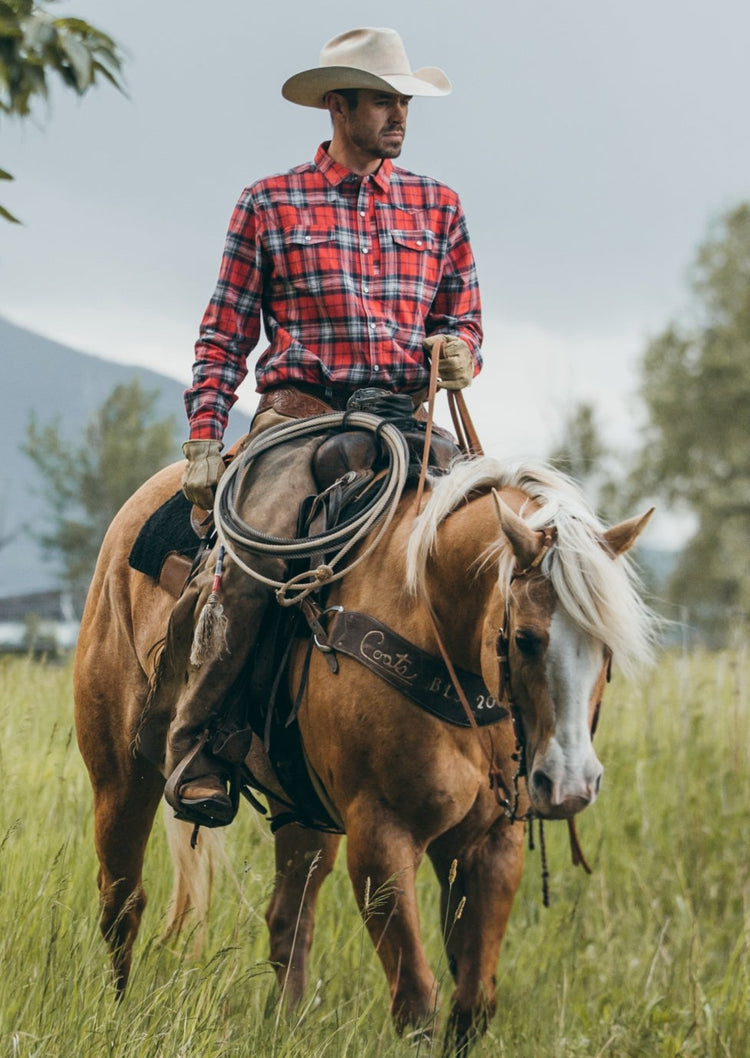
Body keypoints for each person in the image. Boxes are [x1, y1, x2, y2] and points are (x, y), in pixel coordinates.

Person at [164, 26, 484, 826]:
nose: (398, 113)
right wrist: (207, 434)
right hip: (298, 423)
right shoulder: (268, 202)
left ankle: (509, 753)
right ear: (337, 105)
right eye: (382, 99)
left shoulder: (438, 204)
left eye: (404, 100)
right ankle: (197, 741)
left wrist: (461, 355)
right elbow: (224, 332)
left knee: (500, 546)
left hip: (406, 427)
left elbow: (465, 320)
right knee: (251, 555)